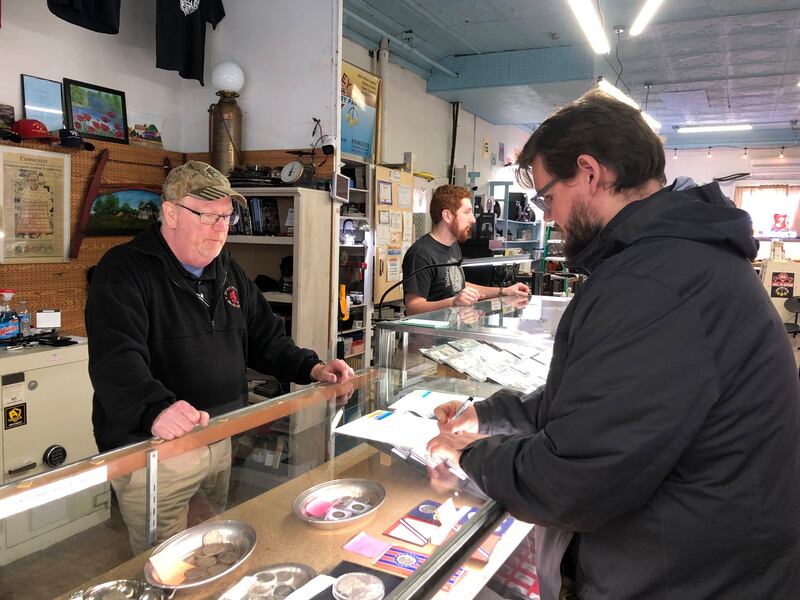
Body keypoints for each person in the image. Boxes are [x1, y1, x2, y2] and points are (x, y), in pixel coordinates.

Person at [427, 90, 800, 599]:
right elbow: (599, 405)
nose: (549, 217)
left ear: (588, 172)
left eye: (546, 196)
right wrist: (487, 415)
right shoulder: (675, 261)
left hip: (691, 578)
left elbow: (570, 480)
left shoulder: (654, 283)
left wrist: (471, 454)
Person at [86, 160, 353, 553]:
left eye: (226, 216)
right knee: (168, 563)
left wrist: (310, 366)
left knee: (215, 549)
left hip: (221, 434)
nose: (220, 228)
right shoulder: (123, 270)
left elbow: (265, 337)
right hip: (157, 449)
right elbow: (115, 357)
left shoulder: (226, 270)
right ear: (171, 213)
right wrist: (155, 408)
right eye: (207, 215)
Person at [402, 184, 529, 315]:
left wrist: (504, 291)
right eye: (467, 212)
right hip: (429, 334)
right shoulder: (421, 253)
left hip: (450, 332)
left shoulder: (453, 246)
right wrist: (452, 302)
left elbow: (458, 285)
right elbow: (413, 307)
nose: (473, 219)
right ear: (447, 216)